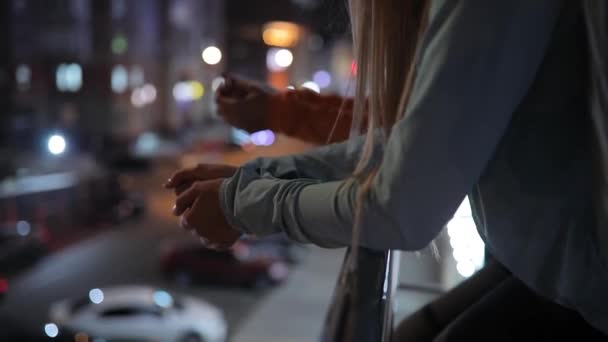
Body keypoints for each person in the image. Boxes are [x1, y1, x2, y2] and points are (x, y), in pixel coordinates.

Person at [165, 0, 608, 340]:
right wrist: (252, 180)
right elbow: (406, 141)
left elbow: (400, 208)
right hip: (556, 280)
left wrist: (243, 204)